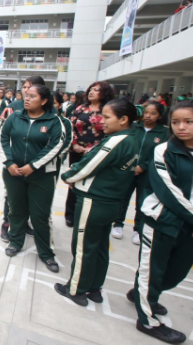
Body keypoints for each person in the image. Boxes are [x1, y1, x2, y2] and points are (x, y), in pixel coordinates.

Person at [129, 99, 193, 344]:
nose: (181, 127)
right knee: (152, 273)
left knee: (176, 272)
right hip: (161, 222)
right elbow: (168, 192)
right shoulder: (164, 150)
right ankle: (148, 320)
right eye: (175, 122)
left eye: (189, 121)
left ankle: (141, 294)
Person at [55, 98, 139, 305]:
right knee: (100, 247)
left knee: (83, 248)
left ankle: (75, 290)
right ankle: (94, 288)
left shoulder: (116, 141)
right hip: (111, 202)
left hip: (94, 201)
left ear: (124, 119)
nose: (101, 120)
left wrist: (68, 177)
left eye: (107, 117)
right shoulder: (134, 139)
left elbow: (89, 165)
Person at [0, 84, 63, 272]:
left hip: (41, 176)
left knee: (40, 216)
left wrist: (33, 166)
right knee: (16, 210)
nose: (26, 99)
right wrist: (9, 162)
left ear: (44, 101)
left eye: (32, 96)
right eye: (26, 95)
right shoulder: (15, 116)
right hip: (13, 173)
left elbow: (55, 146)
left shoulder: (54, 121)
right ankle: (15, 241)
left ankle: (46, 253)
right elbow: (2, 137)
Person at [113, 102, 168, 244]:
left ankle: (138, 229)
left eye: (153, 113)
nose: (148, 116)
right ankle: (118, 224)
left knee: (142, 201)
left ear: (160, 115)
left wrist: (143, 166)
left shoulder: (164, 132)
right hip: (128, 169)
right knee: (123, 197)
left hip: (148, 173)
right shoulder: (133, 127)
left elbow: (161, 154)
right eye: (146, 112)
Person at [65, 81, 115, 227]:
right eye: (90, 89)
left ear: (104, 93)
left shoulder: (108, 110)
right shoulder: (81, 108)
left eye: (96, 90)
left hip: (98, 153)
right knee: (74, 181)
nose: (91, 92)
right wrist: (74, 144)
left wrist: (93, 149)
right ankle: (71, 214)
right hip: (77, 151)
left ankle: (89, 215)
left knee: (93, 183)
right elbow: (71, 127)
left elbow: (110, 131)